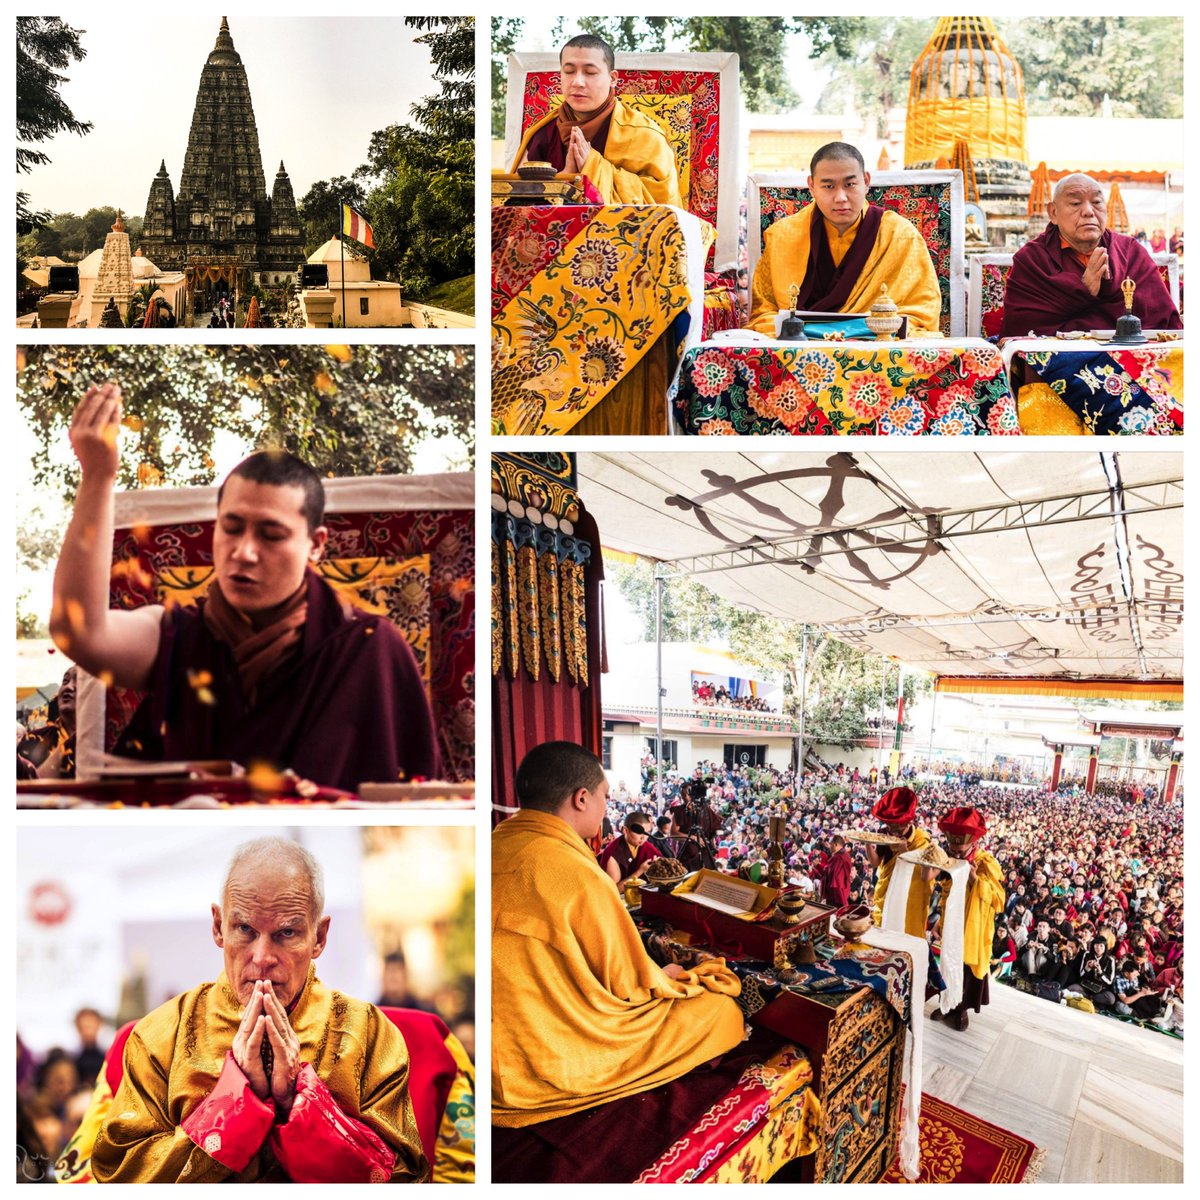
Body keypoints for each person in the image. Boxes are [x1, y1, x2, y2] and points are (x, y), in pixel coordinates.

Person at [47, 383, 439, 793]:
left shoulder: (369, 647)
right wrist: (98, 475)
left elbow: (413, 799)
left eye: (271, 535)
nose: (244, 552)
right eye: (231, 529)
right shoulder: (182, 638)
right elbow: (81, 633)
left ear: (315, 544)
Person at [86, 838, 428, 1182]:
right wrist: (235, 1103)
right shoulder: (161, 1036)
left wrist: (299, 1101)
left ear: (319, 937)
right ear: (218, 926)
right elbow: (118, 1174)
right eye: (245, 930)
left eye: (287, 932)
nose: (262, 957)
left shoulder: (369, 1034)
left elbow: (405, 1178)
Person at [492, 741, 745, 1128]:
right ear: (581, 798)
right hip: (540, 1058)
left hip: (478, 1051)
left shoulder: (490, 844)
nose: (606, 807)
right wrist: (669, 976)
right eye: (604, 797)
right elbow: (630, 987)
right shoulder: (578, 873)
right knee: (721, 1010)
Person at [748, 141, 942, 336]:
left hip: (876, 343)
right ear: (812, 186)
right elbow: (763, 313)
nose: (840, 197)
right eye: (828, 186)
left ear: (866, 181)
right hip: (799, 344)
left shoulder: (900, 236)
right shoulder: (782, 236)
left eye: (850, 184)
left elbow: (921, 314)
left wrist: (859, 332)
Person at [1000, 174, 1183, 337]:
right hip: (1057, 362)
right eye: (1075, 203)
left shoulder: (1130, 252)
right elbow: (1024, 330)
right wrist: (1082, 290)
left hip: (1128, 360)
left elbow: (1161, 323)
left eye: (1096, 202)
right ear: (1054, 213)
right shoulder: (1032, 260)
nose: (1089, 211)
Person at [512, 34, 682, 206]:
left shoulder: (645, 135)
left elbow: (664, 208)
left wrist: (592, 165)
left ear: (613, 79)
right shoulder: (543, 133)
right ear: (560, 75)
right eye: (569, 71)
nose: (577, 82)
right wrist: (565, 178)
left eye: (590, 72)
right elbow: (516, 206)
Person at [931, 807, 1005, 1032]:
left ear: (974, 844)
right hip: (952, 923)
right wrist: (939, 923)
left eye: (961, 850)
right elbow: (946, 894)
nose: (956, 854)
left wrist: (974, 879)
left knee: (966, 971)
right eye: (953, 850)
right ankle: (946, 1005)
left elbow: (998, 900)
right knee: (948, 964)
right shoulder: (951, 860)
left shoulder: (986, 862)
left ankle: (961, 1010)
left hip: (974, 928)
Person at [866, 785, 933, 939]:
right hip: (886, 890)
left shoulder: (921, 839)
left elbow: (921, 874)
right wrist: (867, 843)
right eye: (890, 827)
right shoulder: (884, 833)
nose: (894, 832)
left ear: (908, 822)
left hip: (908, 895)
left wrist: (904, 852)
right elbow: (875, 863)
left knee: (905, 929)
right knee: (883, 927)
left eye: (898, 828)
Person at [597, 809, 664, 888]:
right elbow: (614, 889)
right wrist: (640, 871)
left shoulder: (646, 846)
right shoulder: (613, 853)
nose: (643, 837)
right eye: (639, 832)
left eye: (647, 832)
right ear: (625, 830)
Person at [817, 833, 853, 909]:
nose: (829, 846)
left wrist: (819, 866)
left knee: (835, 910)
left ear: (835, 845)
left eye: (831, 844)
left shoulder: (838, 858)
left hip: (836, 890)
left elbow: (832, 874)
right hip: (843, 886)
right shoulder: (846, 854)